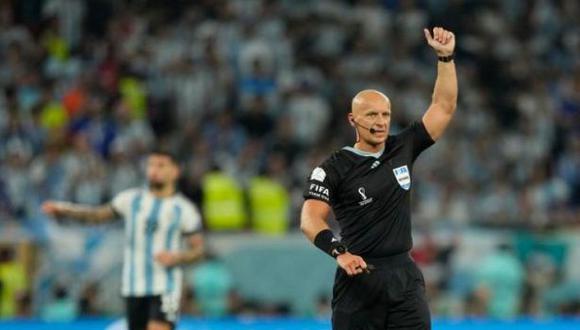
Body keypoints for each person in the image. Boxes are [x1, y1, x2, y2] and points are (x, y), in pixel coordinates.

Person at [300, 27, 457, 329]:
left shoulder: (402, 147)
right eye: (372, 115)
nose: (381, 122)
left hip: (404, 277)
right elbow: (310, 220)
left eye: (385, 115)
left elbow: (444, 107)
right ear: (353, 120)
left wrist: (445, 57)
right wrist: (339, 253)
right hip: (359, 278)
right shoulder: (334, 167)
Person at [42, 150, 204, 330]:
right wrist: (64, 209)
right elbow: (97, 215)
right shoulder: (131, 199)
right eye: (151, 165)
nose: (154, 170)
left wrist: (177, 257)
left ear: (175, 171)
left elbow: (198, 250)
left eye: (161, 165)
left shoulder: (184, 209)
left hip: (165, 285)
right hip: (134, 286)